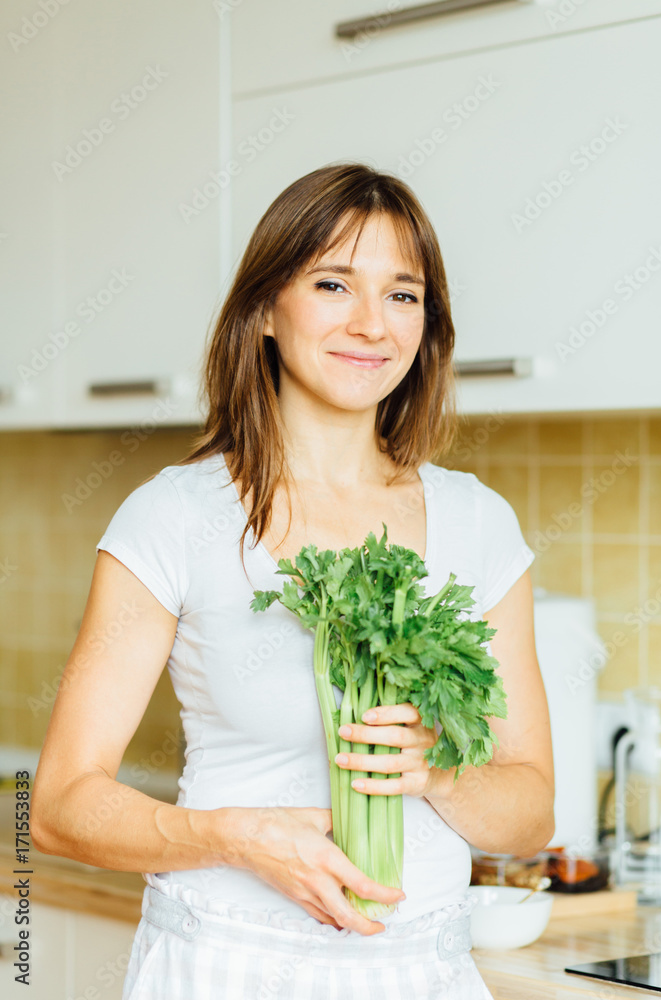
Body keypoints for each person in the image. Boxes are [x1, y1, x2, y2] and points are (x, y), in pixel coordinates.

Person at [32, 162, 555, 999]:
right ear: (266, 309)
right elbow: (57, 805)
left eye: (402, 294)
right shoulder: (174, 516)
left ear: (427, 324)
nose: (370, 324)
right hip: (225, 967)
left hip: (422, 973)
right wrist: (237, 839)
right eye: (332, 283)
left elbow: (530, 816)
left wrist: (436, 769)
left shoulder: (479, 524)